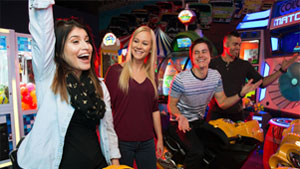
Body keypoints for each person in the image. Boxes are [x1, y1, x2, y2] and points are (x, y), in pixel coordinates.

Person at [17, 0, 120, 168]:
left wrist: (115, 163)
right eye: (75, 41)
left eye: (87, 40)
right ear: (59, 50)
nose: (86, 46)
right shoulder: (50, 77)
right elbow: (42, 36)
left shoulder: (99, 86)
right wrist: (43, 5)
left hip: (98, 163)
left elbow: (108, 129)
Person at [167, 38, 262, 169]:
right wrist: (180, 116)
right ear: (192, 56)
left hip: (198, 122)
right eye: (196, 52)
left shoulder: (215, 76)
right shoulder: (181, 79)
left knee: (224, 143)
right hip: (180, 123)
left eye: (204, 51)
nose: (201, 55)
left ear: (210, 56)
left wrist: (240, 94)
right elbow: (171, 105)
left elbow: (222, 102)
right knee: (197, 151)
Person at [105, 25, 163, 169]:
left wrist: (160, 139)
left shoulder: (152, 76)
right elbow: (105, 110)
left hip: (147, 142)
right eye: (136, 41)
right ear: (131, 43)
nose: (139, 46)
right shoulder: (115, 72)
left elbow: (154, 110)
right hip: (121, 142)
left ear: (150, 48)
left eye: (145, 43)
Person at [209, 31, 299, 122]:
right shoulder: (212, 64)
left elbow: (262, 83)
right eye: (235, 44)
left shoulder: (244, 65)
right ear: (225, 44)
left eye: (239, 45)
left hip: (237, 116)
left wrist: (281, 70)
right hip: (216, 115)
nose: (238, 48)